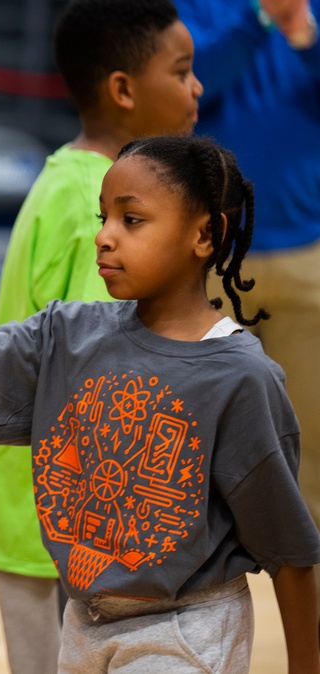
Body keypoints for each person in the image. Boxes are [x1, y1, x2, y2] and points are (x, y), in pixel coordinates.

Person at [0, 135, 320, 672]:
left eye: (132, 220)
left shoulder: (242, 376)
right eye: (103, 218)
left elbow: (290, 554)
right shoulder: (65, 335)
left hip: (188, 631)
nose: (104, 237)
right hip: (84, 624)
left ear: (204, 233)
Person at [0, 2, 202, 671]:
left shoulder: (71, 181)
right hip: (57, 527)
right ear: (123, 90)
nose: (196, 89)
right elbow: (111, 377)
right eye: (182, 71)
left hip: (52, 519)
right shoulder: (94, 203)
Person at [172, 0, 320, 614]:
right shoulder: (193, 8)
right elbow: (193, 85)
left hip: (307, 253)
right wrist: (259, 18)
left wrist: (304, 35)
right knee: (189, 440)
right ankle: (181, 612)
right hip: (207, 253)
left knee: (312, 446)